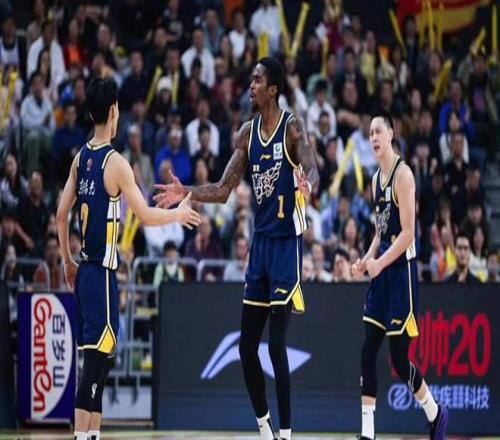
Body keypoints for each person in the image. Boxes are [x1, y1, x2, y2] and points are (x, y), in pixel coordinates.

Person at [154, 57, 319, 440]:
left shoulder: (291, 127)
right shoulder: (247, 133)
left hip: (286, 245)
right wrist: (186, 192)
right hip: (260, 247)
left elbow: (311, 164)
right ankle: (265, 429)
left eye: (257, 80)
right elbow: (224, 189)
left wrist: (307, 183)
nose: (251, 86)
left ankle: (287, 435)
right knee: (246, 348)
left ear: (273, 89)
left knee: (276, 347)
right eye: (251, 80)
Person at [56, 77, 200, 440]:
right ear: (114, 111)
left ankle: (91, 436)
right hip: (101, 274)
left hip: (84, 271)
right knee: (93, 368)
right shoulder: (116, 163)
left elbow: (60, 215)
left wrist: (67, 260)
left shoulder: (79, 159)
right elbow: (146, 216)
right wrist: (178, 215)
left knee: (98, 367)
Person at [351, 113, 448, 440]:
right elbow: (380, 233)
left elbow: (408, 234)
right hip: (381, 272)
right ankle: (367, 433)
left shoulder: (403, 175)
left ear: (392, 134)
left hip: (401, 274)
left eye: (378, 131)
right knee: (367, 350)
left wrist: (379, 263)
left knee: (398, 359)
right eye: (370, 133)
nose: (373, 138)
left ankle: (435, 412)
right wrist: (365, 261)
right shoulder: (375, 180)